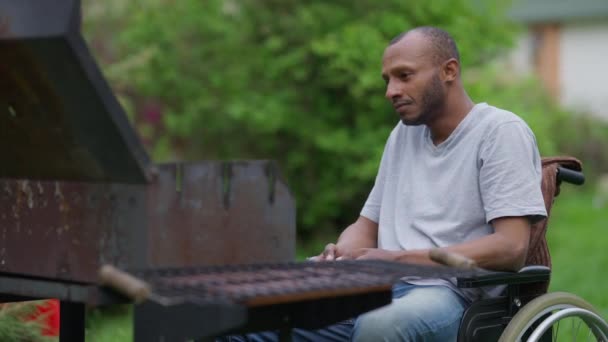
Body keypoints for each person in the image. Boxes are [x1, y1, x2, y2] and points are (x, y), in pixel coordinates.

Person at [219, 25, 547, 342]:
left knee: (381, 326)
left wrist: (396, 259)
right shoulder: (403, 135)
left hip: (452, 295)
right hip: (377, 284)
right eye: (387, 80)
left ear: (449, 71)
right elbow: (366, 225)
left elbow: (511, 248)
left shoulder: (500, 132)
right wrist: (343, 253)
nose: (391, 91)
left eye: (404, 76)